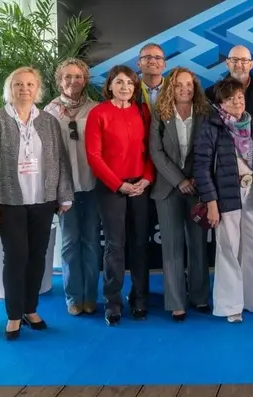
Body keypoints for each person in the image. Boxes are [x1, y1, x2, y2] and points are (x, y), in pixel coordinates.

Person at [0, 67, 73, 340]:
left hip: (43, 201)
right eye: (18, 83)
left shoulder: (49, 122)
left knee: (37, 256)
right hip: (9, 202)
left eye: (30, 84)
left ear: (37, 89)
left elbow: (60, 161)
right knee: (16, 257)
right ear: (10, 88)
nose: (24, 89)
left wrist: (64, 195)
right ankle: (14, 315)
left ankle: (31, 309)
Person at [194, 76, 253, 323]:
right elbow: (202, 167)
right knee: (228, 249)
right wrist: (211, 203)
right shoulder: (211, 126)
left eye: (240, 97)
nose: (237, 102)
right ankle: (230, 305)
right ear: (220, 102)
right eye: (231, 98)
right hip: (226, 195)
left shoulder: (252, 124)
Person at [206, 45, 253, 296]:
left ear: (252, 64)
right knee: (230, 244)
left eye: (244, 60)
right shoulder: (210, 94)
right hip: (226, 183)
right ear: (227, 63)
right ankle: (231, 298)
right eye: (234, 60)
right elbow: (206, 152)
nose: (239, 64)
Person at [85, 65, 155, 326]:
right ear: (110, 86)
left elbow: (152, 150)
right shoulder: (98, 113)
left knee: (139, 244)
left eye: (129, 82)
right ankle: (112, 303)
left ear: (135, 87)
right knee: (115, 246)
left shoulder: (143, 112)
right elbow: (94, 156)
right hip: (111, 188)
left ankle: (139, 299)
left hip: (141, 186)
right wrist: (118, 184)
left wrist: (147, 179)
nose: (124, 87)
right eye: (119, 82)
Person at [149, 67, 212, 321]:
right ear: (170, 88)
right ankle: (176, 302)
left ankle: (199, 297)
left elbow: (209, 147)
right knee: (173, 247)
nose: (185, 89)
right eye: (178, 85)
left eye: (189, 84)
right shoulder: (160, 113)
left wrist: (197, 177)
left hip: (197, 187)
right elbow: (156, 152)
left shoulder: (204, 113)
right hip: (168, 188)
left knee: (198, 244)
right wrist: (179, 180)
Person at [43, 58, 100, 316]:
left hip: (92, 185)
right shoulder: (49, 112)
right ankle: (73, 297)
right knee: (69, 243)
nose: (73, 81)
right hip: (64, 188)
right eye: (68, 76)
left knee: (90, 242)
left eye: (78, 76)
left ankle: (90, 296)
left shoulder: (96, 109)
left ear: (85, 80)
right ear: (59, 80)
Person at [135, 43, 167, 111]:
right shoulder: (130, 90)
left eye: (158, 58)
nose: (153, 61)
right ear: (138, 64)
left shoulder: (174, 89)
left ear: (164, 64)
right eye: (147, 57)